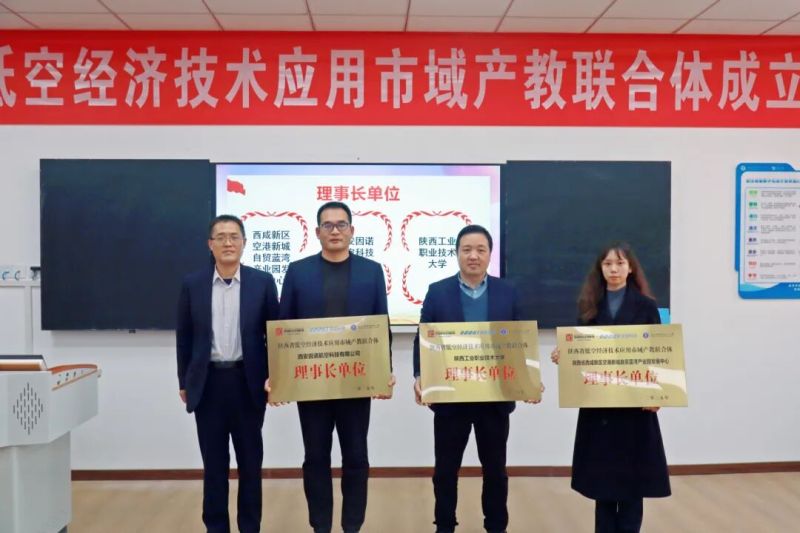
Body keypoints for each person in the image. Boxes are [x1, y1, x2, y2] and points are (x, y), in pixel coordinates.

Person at [268, 201, 394, 533]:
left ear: (352, 231)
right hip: (312, 384)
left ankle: (352, 526)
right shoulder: (298, 271)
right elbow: (284, 327)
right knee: (315, 458)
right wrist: (279, 376)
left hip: (356, 382)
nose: (335, 231)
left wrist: (384, 371)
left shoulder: (371, 271)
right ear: (317, 232)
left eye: (341, 225)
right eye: (328, 225)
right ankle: (320, 526)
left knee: (356, 458)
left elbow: (381, 325)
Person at [412, 224, 541, 533]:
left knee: (495, 470)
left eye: (480, 250)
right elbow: (423, 337)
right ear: (456, 253)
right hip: (450, 397)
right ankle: (445, 525)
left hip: (494, 397)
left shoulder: (508, 292)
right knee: (445, 470)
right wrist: (419, 375)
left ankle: (496, 526)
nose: (473, 256)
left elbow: (520, 341)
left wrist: (529, 379)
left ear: (490, 254)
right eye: (467, 249)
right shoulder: (437, 291)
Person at [551, 242, 670, 533]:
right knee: (602, 483)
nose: (614, 269)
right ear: (600, 269)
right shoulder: (589, 305)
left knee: (632, 483)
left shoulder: (646, 306)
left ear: (630, 268)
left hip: (634, 407)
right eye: (607, 264)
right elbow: (581, 352)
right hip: (599, 406)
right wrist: (564, 356)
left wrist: (657, 394)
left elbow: (658, 354)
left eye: (620, 263)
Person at [176, 214, 280, 533]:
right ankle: (216, 527)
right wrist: (184, 381)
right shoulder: (193, 284)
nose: (228, 242)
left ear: (244, 243)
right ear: (210, 244)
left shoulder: (262, 282)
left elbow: (275, 335)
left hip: (247, 384)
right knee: (214, 466)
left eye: (234, 236)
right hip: (208, 385)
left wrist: (276, 377)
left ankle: (250, 526)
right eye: (220, 237)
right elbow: (185, 336)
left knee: (250, 464)